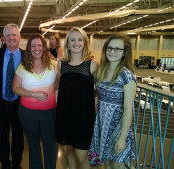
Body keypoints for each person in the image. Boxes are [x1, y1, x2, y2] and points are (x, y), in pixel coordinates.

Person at [89, 34, 136, 169]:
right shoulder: (102, 71)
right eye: (109, 48)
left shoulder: (126, 76)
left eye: (117, 49)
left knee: (118, 165)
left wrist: (122, 138)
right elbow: (100, 93)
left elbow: (128, 109)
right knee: (108, 163)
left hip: (118, 128)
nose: (112, 51)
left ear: (124, 53)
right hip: (102, 125)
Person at [12, 34, 57, 169]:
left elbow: (60, 84)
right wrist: (33, 94)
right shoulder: (23, 66)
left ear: (44, 47)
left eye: (39, 45)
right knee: (33, 145)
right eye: (33, 46)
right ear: (29, 48)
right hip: (28, 113)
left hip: (49, 113)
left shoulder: (54, 65)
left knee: (50, 145)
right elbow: (15, 88)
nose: (36, 48)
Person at [55, 27, 98, 169]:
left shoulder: (91, 65)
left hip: (84, 116)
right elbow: (58, 87)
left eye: (80, 40)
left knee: (82, 156)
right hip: (66, 114)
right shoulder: (61, 64)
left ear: (85, 43)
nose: (76, 43)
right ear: (67, 44)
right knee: (70, 149)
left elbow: (100, 90)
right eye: (72, 40)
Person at [0, 23, 24, 169]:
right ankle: (5, 163)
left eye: (14, 34)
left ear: (20, 37)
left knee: (18, 137)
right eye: (8, 35)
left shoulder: (26, 56)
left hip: (20, 104)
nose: (11, 38)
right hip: (1, 104)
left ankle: (16, 164)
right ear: (3, 38)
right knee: (2, 138)